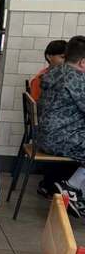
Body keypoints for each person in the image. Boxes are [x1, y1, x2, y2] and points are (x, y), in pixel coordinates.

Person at [37, 34, 85, 218]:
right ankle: (72, 188)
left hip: (45, 135)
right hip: (61, 138)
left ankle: (76, 193)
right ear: (82, 62)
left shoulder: (53, 72)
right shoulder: (78, 80)